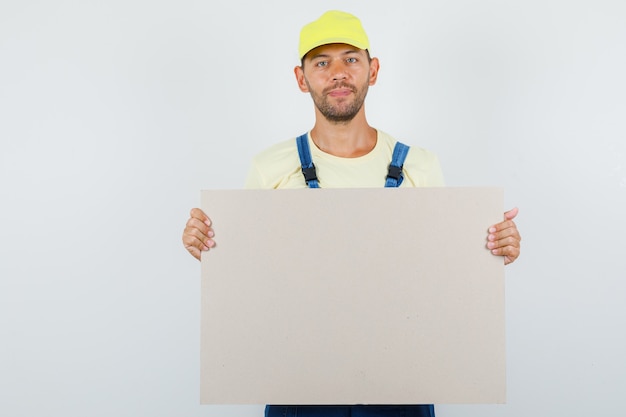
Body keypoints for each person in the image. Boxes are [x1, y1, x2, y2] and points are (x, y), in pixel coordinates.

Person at [182, 10, 521, 417]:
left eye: (350, 59)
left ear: (372, 70)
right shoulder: (270, 168)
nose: (338, 73)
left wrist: (495, 247)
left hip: (402, 386)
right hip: (298, 387)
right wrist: (208, 246)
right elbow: (250, 278)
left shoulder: (421, 166)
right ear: (301, 77)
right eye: (322, 62)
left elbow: (443, 279)